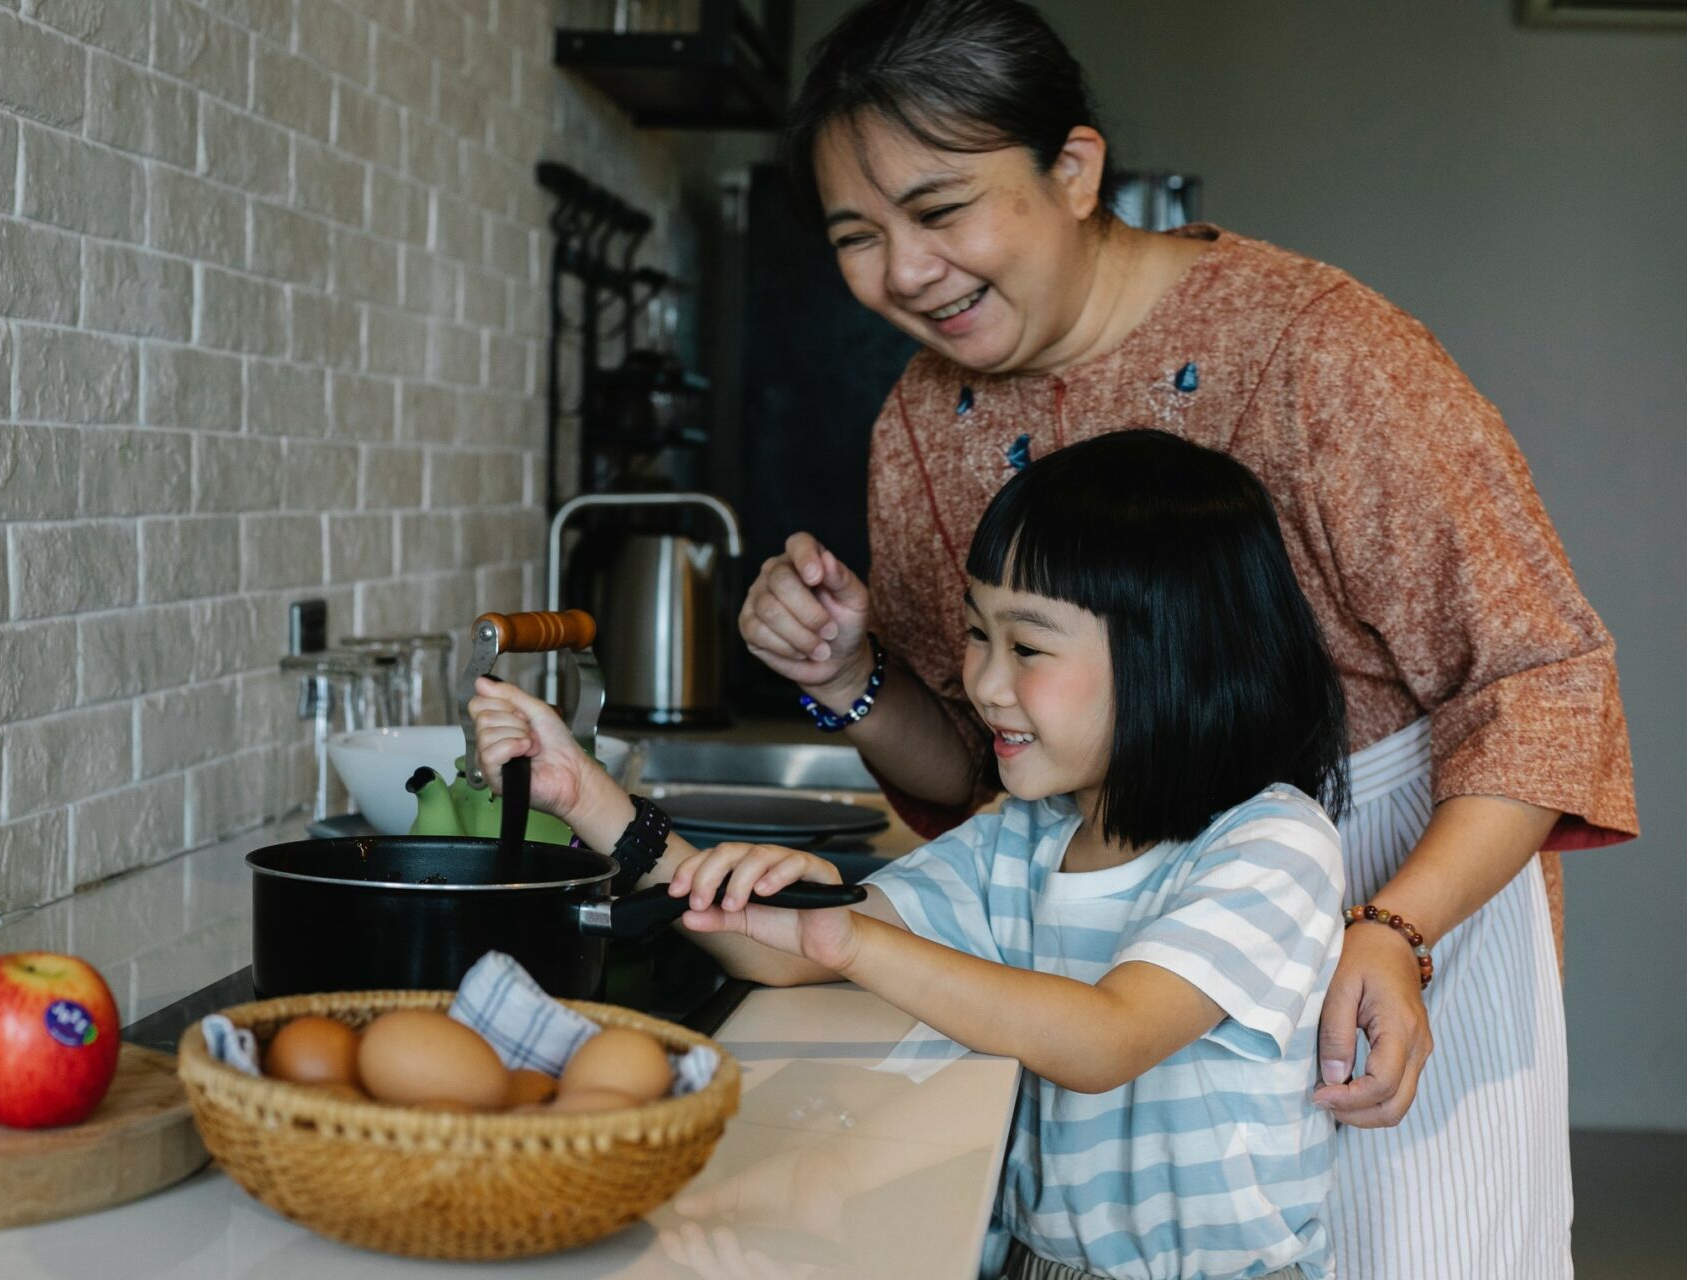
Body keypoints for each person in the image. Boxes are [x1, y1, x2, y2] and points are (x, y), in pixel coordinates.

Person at [734, 2, 1637, 1275]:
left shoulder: (1322, 350)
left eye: (940, 212)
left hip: (1394, 884)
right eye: (856, 236)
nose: (903, 270)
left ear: (1076, 168)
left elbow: (1544, 680)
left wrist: (1396, 927)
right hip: (1115, 963)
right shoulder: (919, 424)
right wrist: (848, 675)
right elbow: (987, 761)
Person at [473, 431, 1356, 1280]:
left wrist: (851, 940)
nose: (984, 682)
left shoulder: (1271, 843)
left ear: (1178, 658)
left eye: (1029, 647)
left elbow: (1108, 1037)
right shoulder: (1026, 836)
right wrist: (584, 794)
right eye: (978, 634)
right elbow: (770, 949)